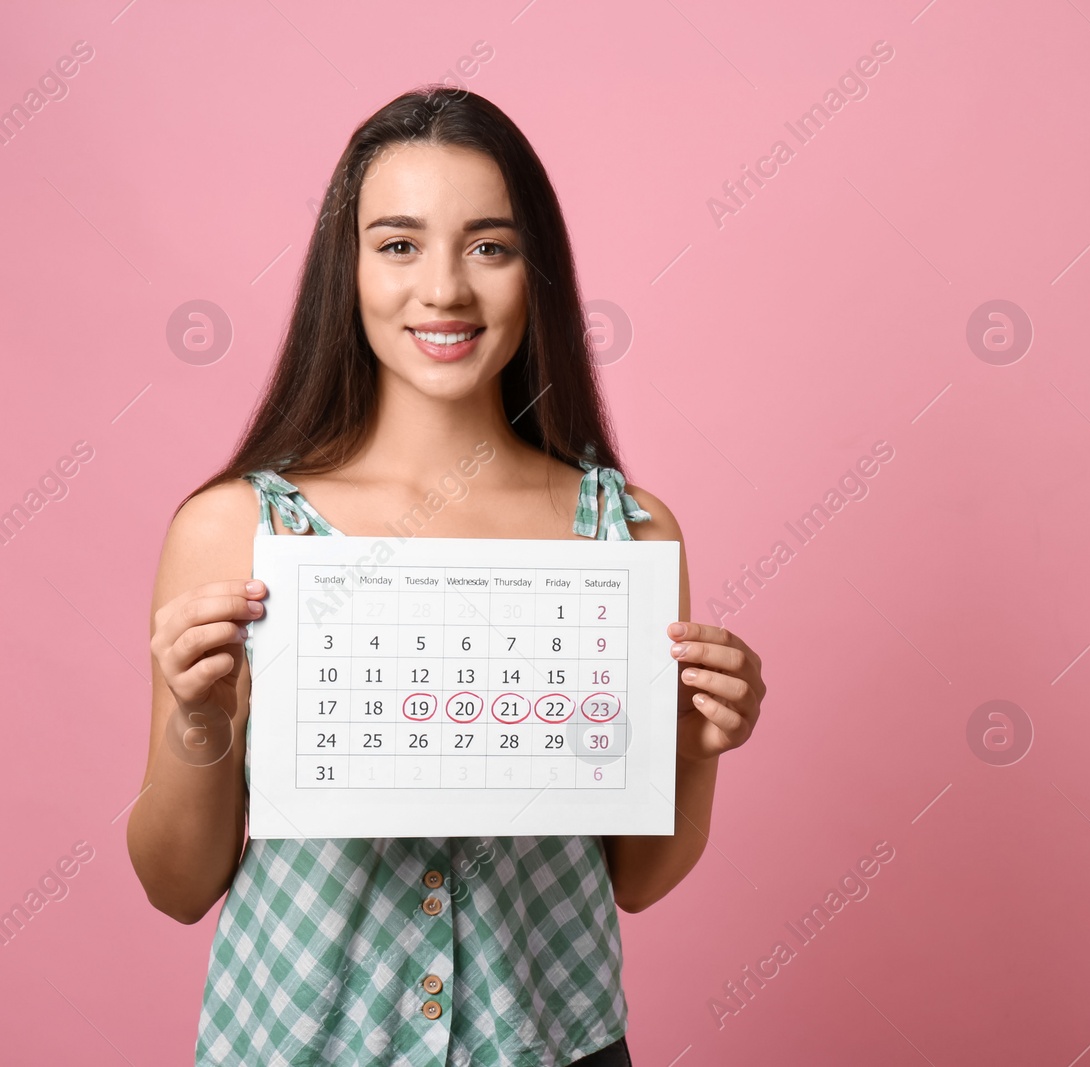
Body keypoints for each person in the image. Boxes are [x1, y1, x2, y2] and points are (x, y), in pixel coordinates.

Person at [127, 86, 767, 1066]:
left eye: (489, 246)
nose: (444, 290)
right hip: (301, 1042)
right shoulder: (237, 528)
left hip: (553, 1042)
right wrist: (198, 716)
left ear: (533, 272)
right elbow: (176, 886)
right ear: (346, 271)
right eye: (397, 244)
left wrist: (695, 742)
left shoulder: (628, 537)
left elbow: (635, 877)